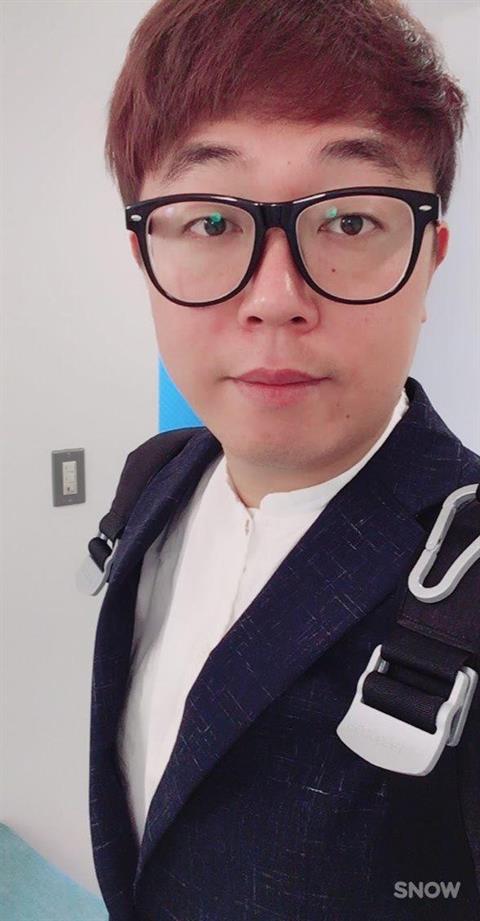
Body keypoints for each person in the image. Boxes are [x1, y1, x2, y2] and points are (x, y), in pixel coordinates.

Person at [89, 1, 480, 918]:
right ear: (144, 256)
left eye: (349, 220)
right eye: (211, 223)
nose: (275, 297)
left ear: (428, 260)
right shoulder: (153, 479)